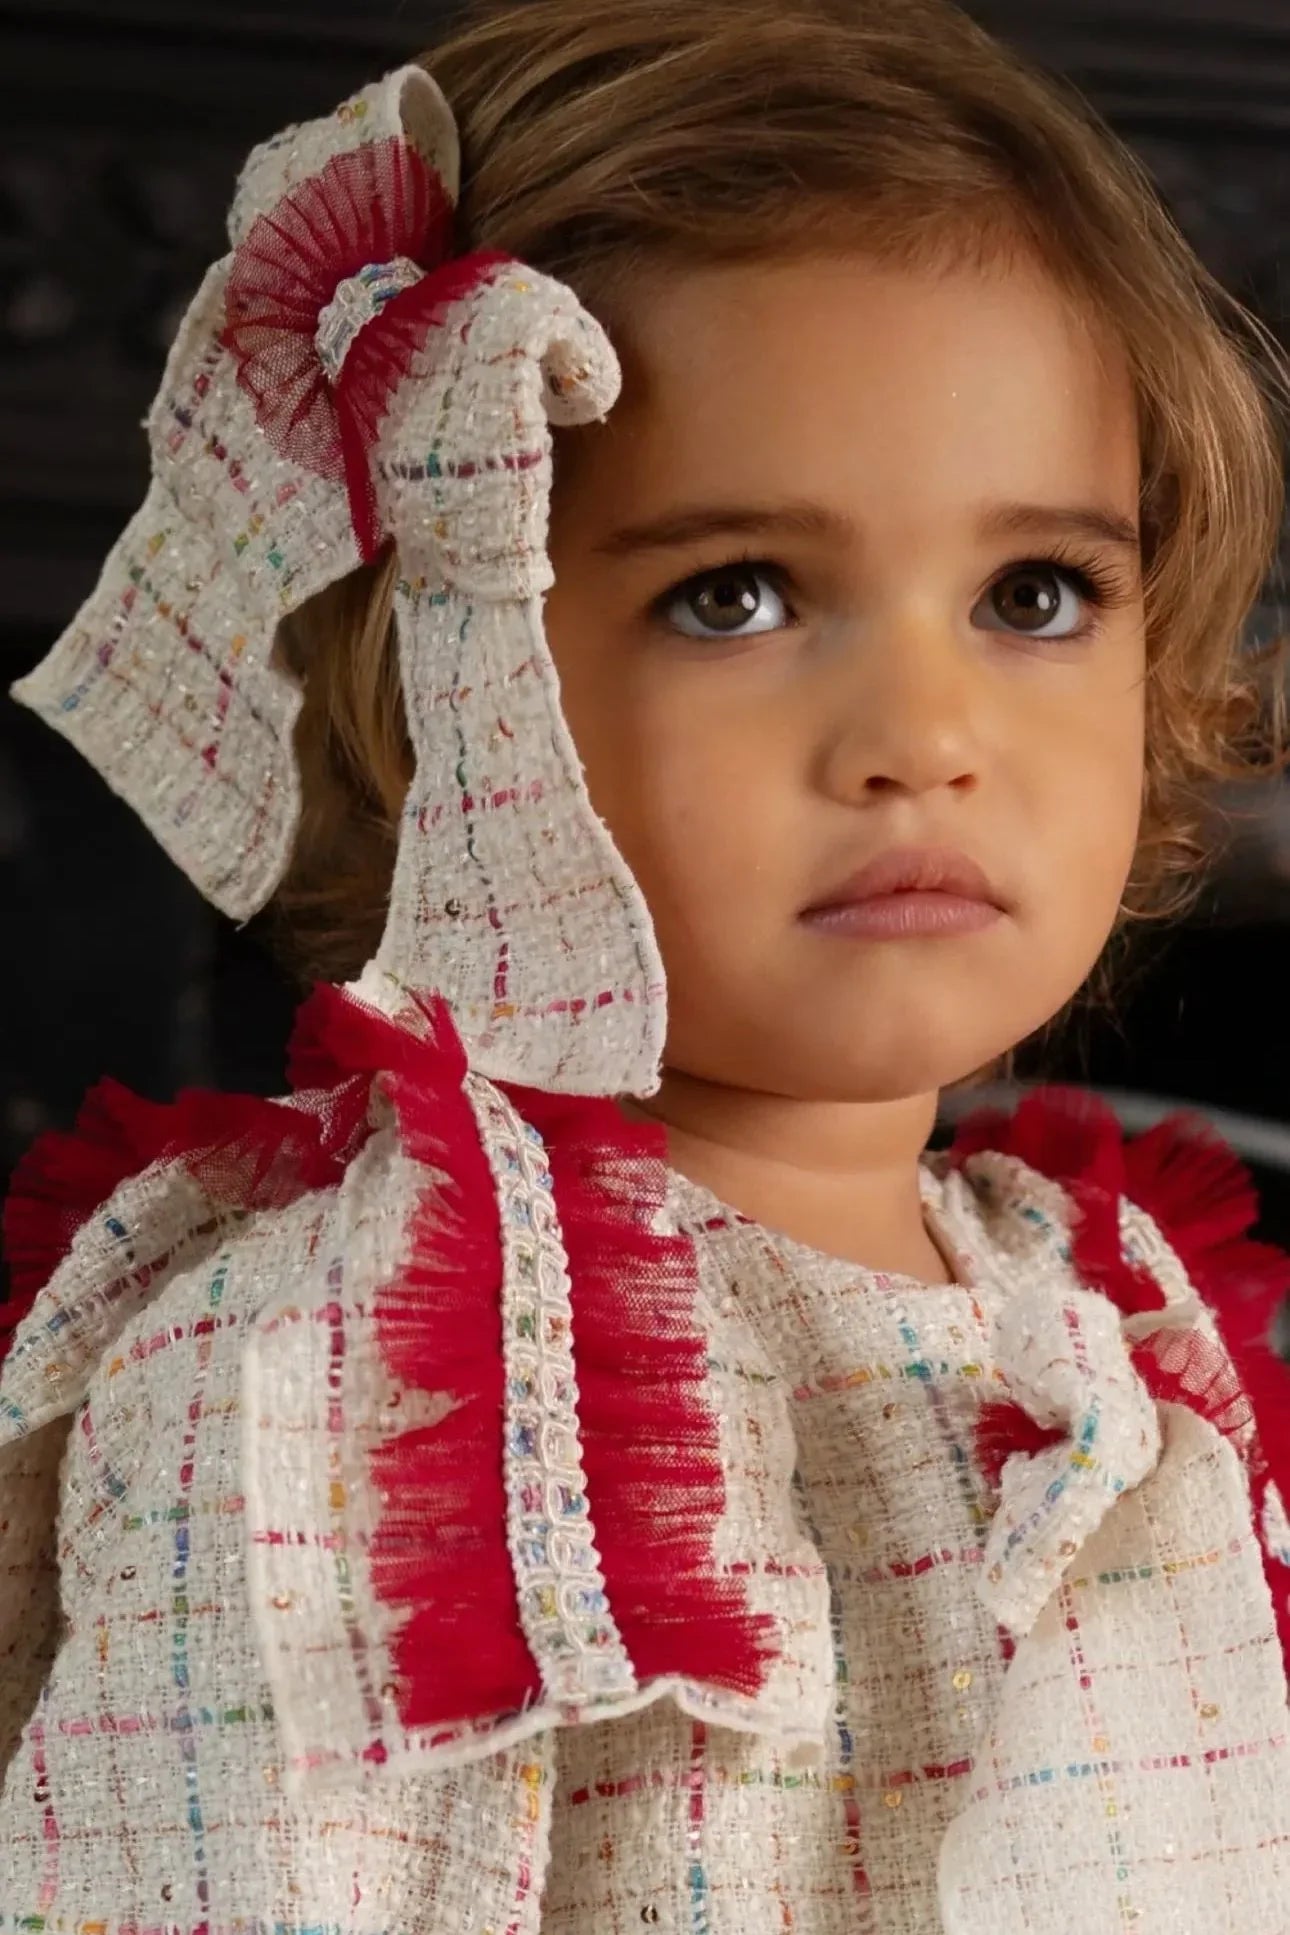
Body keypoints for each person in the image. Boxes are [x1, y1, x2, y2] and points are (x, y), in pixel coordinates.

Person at [2, 1, 1288, 1927]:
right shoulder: (355, 1392)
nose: (922, 732)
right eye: (735, 594)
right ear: (437, 693)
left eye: (1036, 594)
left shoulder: (1098, 1325)